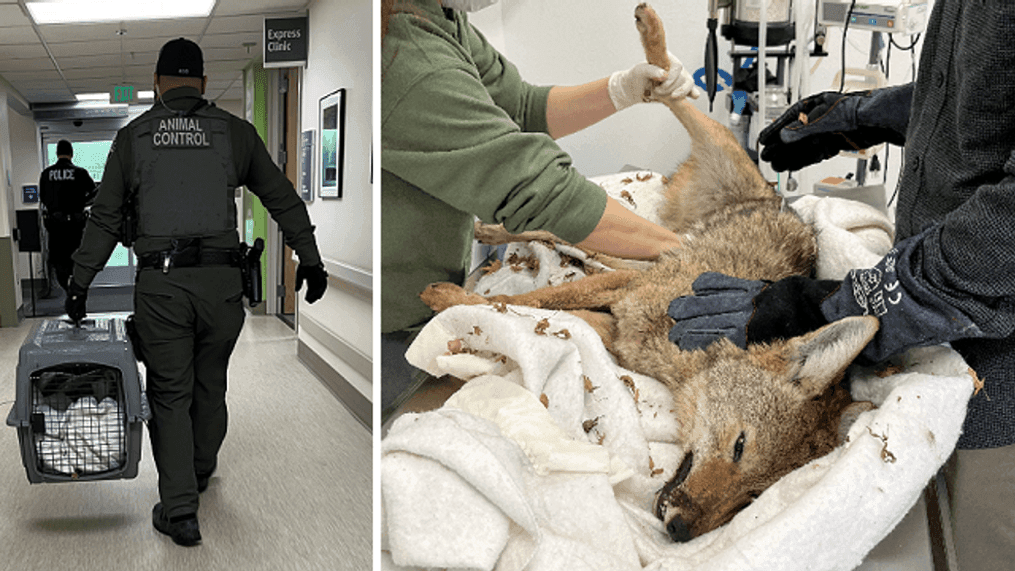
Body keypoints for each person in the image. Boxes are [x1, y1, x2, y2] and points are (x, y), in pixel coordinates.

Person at [665, 1, 1015, 568]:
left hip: (1001, 382)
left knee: (978, 544)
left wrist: (843, 303)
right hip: (932, 330)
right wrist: (865, 114)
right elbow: (983, 97)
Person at [66, 38, 328, 547]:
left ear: (158, 82)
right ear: (204, 84)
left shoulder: (135, 137)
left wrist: (80, 282)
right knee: (210, 383)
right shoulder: (234, 133)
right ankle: (200, 471)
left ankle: (181, 508)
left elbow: (102, 218)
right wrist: (310, 258)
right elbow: (282, 197)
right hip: (222, 288)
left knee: (169, 391)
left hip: (163, 288)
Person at [380, 0, 697, 419]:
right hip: (395, 325)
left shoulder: (435, 13)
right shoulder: (407, 57)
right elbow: (542, 189)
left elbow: (521, 107)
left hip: (431, 286)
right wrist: (686, 251)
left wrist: (624, 89)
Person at [39, 139, 96, 292]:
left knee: (59, 262)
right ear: (72, 153)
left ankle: (66, 288)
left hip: (56, 227)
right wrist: (82, 203)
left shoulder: (46, 174)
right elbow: (95, 193)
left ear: (57, 153)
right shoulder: (80, 173)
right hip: (75, 227)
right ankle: (77, 290)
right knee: (77, 260)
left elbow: (43, 198)